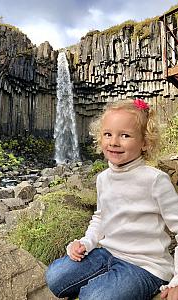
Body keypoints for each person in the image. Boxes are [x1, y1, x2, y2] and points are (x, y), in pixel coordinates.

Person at [45, 99, 178, 300]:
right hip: (108, 254)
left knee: (94, 297)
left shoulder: (155, 180)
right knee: (55, 277)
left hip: (145, 266)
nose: (114, 142)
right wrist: (85, 243)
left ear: (145, 142)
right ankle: (109, 282)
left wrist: (176, 281)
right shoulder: (103, 178)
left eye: (125, 135)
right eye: (108, 134)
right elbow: (100, 217)